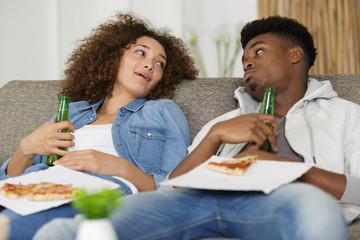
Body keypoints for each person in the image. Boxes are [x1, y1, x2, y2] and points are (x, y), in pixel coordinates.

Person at [34, 16, 359, 240]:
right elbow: (171, 186)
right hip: (196, 201)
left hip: (275, 202)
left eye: (258, 51)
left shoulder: (344, 116)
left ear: (295, 54)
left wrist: (292, 171)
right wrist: (216, 136)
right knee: (63, 230)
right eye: (244, 59)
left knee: (317, 208)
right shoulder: (226, 121)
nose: (247, 62)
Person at [0, 13, 198, 239]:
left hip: (101, 193)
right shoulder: (73, 112)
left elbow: (173, 189)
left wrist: (117, 166)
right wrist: (25, 149)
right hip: (43, 183)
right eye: (141, 52)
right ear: (114, 56)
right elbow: (14, 183)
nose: (150, 65)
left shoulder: (162, 111)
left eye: (160, 63)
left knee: (14, 225)